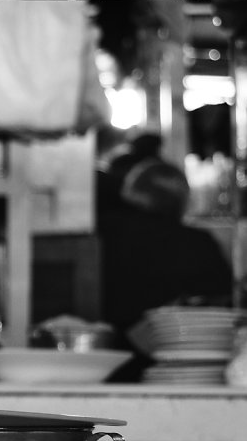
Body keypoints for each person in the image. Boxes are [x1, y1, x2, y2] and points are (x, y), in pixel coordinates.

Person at [96, 133, 234, 379]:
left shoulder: (105, 235)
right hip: (193, 366)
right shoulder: (198, 242)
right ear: (182, 198)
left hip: (114, 363)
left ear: (132, 191)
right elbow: (221, 299)